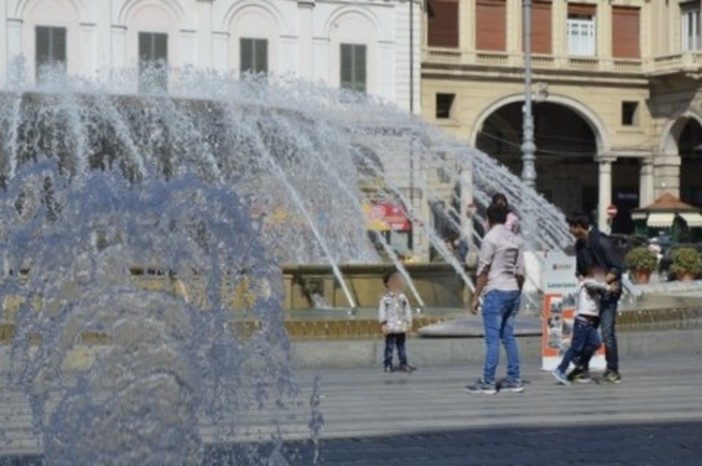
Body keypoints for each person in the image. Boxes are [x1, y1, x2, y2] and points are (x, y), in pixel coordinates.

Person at [466, 203, 525, 394]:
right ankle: (515, 379)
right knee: (508, 337)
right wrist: (517, 293)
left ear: (488, 220)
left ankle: (488, 382)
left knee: (492, 340)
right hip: (512, 290)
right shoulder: (514, 238)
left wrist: (475, 296)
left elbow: (483, 270)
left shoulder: (490, 238)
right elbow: (520, 272)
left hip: (495, 291)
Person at [566, 213, 623, 384]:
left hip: (607, 294)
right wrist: (583, 280)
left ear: (579, 226)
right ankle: (582, 368)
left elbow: (617, 268)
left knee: (607, 333)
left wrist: (601, 283)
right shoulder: (580, 245)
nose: (570, 231)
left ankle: (612, 369)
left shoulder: (601, 241)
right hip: (592, 296)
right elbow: (580, 270)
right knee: (586, 333)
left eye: (572, 227)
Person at [551, 270, 610, 385]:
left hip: (589, 323)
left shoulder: (591, 285)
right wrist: (608, 287)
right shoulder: (586, 283)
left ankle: (579, 361)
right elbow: (594, 284)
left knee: (596, 343)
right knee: (576, 347)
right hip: (582, 322)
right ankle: (560, 369)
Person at [378, 270, 416, 373]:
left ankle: (403, 363)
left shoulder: (403, 297)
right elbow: (382, 312)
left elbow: (407, 310)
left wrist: (409, 323)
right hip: (390, 327)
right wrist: (383, 324)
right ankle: (387, 364)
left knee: (401, 347)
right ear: (387, 284)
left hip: (401, 327)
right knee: (389, 347)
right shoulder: (385, 299)